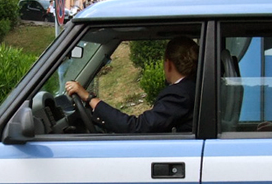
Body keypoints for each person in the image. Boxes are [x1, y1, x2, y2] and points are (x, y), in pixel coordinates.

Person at [64, 37, 199, 134]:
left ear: (168, 64)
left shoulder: (180, 94)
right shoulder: (190, 88)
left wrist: (89, 98)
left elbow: (137, 127)